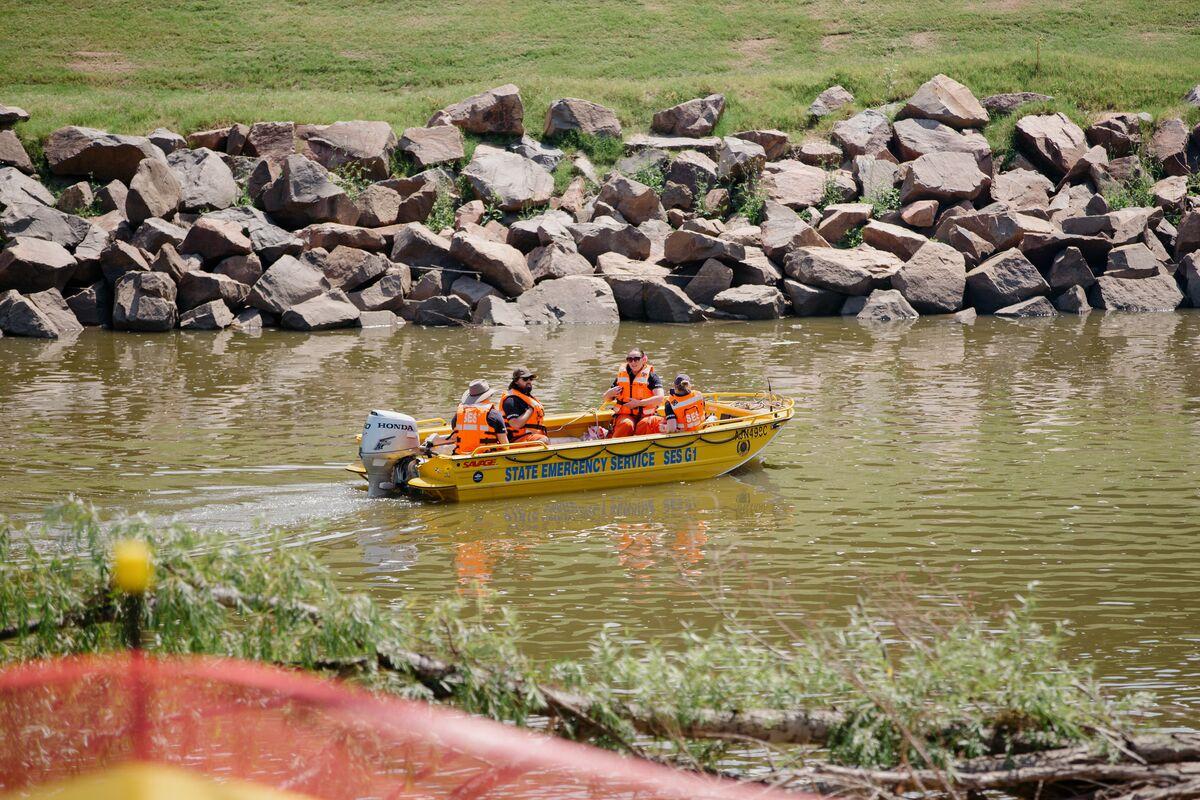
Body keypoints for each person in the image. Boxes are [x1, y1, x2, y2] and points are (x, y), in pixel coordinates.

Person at [426, 379, 508, 455]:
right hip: (486, 457)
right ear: (489, 395)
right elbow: (505, 445)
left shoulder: (459, 413)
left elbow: (457, 434)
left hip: (460, 456)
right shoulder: (494, 414)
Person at [602, 348, 664, 438]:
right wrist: (609, 393)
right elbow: (606, 399)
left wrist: (639, 403)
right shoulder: (622, 376)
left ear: (644, 359)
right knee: (626, 424)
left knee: (644, 423)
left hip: (645, 415)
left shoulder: (651, 377)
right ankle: (614, 447)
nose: (633, 362)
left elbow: (660, 398)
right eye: (630, 359)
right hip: (625, 414)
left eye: (636, 359)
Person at [499, 367, 549, 446]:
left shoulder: (525, 397)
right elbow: (515, 424)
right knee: (543, 440)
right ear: (516, 381)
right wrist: (530, 410)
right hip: (515, 440)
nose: (529, 381)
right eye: (525, 379)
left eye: (530, 379)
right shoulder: (511, 400)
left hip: (529, 437)